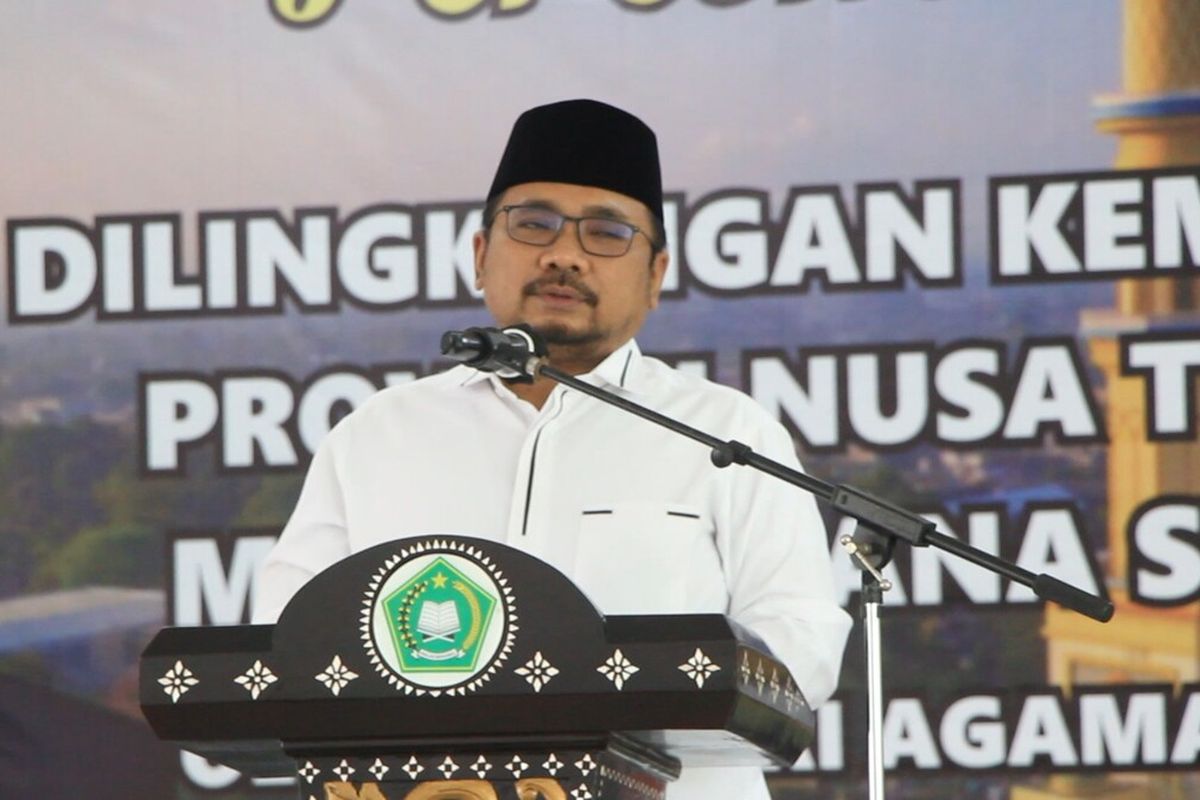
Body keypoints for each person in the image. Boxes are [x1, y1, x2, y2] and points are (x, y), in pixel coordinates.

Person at [255, 98, 852, 799]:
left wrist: (618, 687)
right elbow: (285, 642)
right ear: (481, 256)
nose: (563, 254)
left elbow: (800, 648)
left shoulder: (730, 436)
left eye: (606, 233)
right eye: (533, 223)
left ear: (656, 275)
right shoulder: (378, 435)